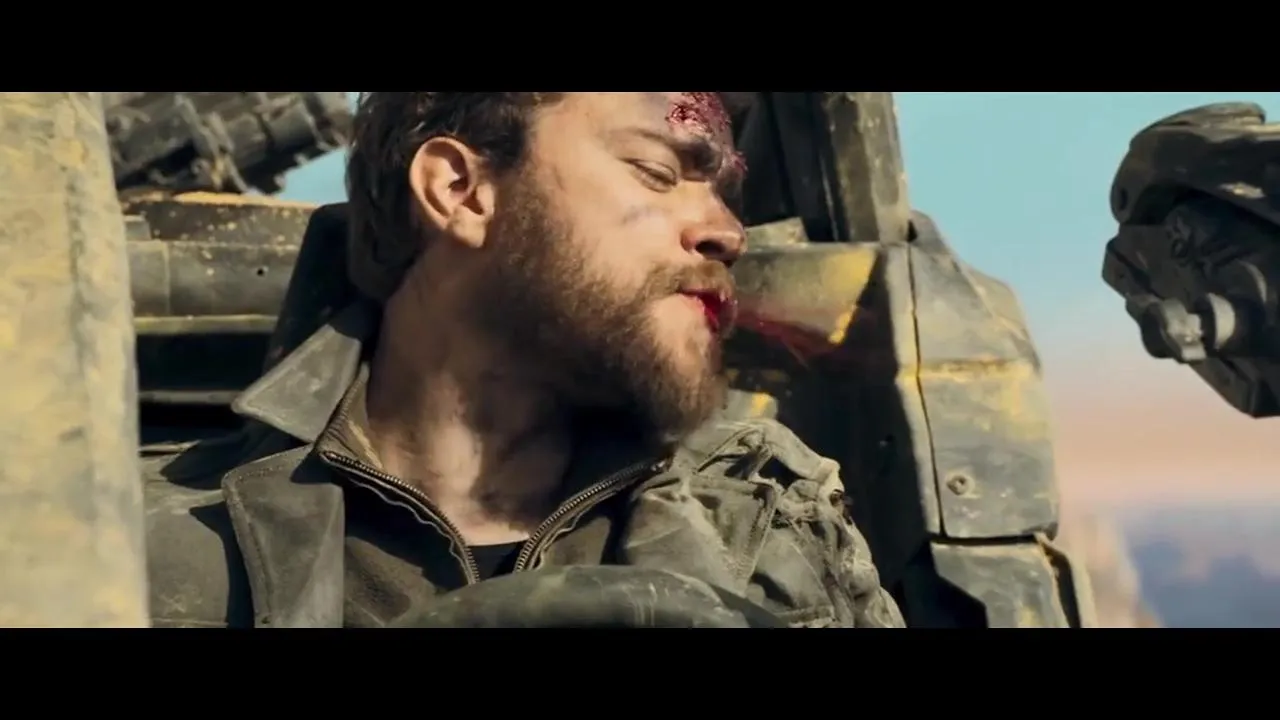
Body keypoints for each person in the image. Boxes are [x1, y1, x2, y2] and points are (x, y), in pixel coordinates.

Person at [142, 92, 904, 628]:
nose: (727, 232)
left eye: (723, 192)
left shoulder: (777, 532)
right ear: (461, 189)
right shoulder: (146, 550)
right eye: (657, 173)